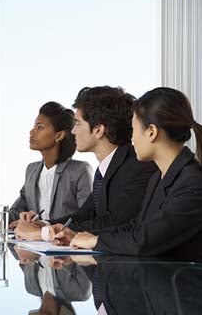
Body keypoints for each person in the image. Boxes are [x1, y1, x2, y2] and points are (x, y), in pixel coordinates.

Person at [68, 87, 202, 258]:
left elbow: (144, 240)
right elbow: (135, 226)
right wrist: (88, 236)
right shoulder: (158, 177)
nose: (132, 139)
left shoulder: (193, 183)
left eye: (134, 129)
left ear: (152, 132)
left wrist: (95, 241)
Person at [15, 86, 157, 242]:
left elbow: (114, 221)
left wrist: (44, 233)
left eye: (77, 123)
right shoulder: (105, 168)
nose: (73, 131)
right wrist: (43, 224)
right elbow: (82, 216)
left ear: (98, 130)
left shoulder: (138, 166)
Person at [8, 101, 92, 226]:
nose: (32, 131)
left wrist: (44, 225)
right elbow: (17, 210)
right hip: (33, 243)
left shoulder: (80, 170)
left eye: (40, 127)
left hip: (64, 242)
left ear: (59, 135)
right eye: (34, 126)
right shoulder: (32, 170)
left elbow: (86, 216)